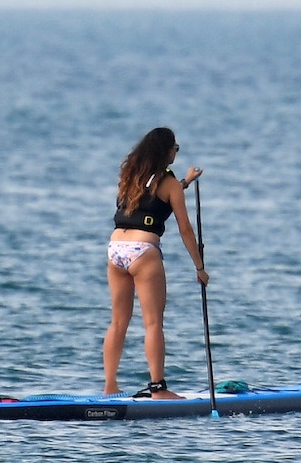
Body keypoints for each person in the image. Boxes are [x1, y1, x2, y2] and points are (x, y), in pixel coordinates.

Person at [103, 126, 206, 399]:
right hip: (144, 252)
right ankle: (158, 389)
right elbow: (185, 229)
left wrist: (185, 181)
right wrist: (200, 268)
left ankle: (110, 385)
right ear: (165, 151)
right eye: (175, 148)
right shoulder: (169, 183)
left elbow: (153, 201)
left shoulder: (130, 176)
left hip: (116, 249)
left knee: (118, 322)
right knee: (152, 323)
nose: (176, 151)